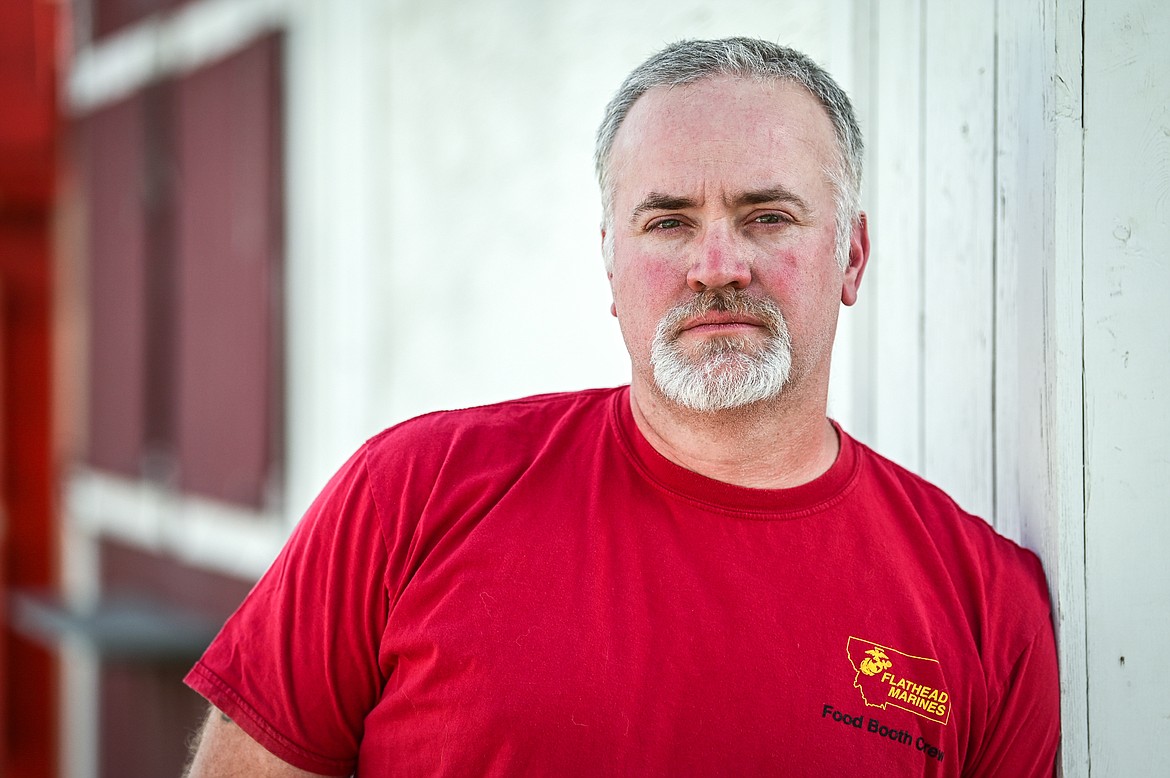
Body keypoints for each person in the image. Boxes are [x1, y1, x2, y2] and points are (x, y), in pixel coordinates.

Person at [184, 37, 1059, 777]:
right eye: (668, 222)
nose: (717, 264)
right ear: (610, 265)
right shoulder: (413, 493)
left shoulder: (986, 609)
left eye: (767, 216)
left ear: (853, 256)